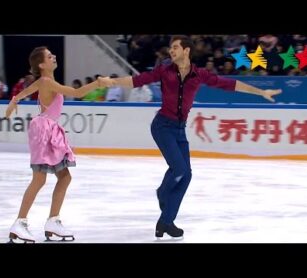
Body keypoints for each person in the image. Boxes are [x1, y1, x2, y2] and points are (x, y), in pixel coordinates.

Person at [109, 35, 282, 239]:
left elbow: (230, 84)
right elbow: (136, 81)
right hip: (162, 126)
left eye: (175, 47)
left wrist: (261, 92)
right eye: (170, 48)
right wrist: (110, 81)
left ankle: (166, 221)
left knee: (186, 175)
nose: (171, 51)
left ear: (186, 51)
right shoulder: (163, 71)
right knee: (180, 169)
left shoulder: (199, 74)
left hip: (180, 130)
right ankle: (162, 194)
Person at [5, 46, 113, 243]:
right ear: (41, 64)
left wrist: (14, 101)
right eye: (49, 56)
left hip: (47, 130)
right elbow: (77, 92)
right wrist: (97, 83)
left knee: (64, 176)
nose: (53, 56)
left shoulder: (44, 81)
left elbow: (25, 91)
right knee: (40, 179)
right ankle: (20, 223)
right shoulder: (46, 81)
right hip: (45, 131)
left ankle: (53, 221)